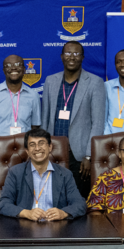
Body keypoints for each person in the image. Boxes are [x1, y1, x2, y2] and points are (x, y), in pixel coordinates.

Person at [41, 41, 106, 199]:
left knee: (77, 199)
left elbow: (97, 123)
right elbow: (45, 118)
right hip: (54, 152)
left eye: (76, 54)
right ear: (62, 57)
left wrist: (89, 156)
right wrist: (43, 149)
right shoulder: (51, 80)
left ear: (82, 57)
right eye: (68, 53)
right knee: (53, 198)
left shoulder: (95, 82)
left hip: (80, 155)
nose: (72, 57)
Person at [0, 128, 87, 220]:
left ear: (50, 147)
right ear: (27, 151)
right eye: (32, 145)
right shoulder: (15, 172)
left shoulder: (65, 174)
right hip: (24, 229)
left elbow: (80, 204)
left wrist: (63, 213)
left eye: (41, 143)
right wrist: (26, 213)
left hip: (57, 229)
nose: (37, 148)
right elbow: (3, 204)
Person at [0, 54, 41, 174]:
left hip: (24, 154)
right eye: (8, 65)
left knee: (24, 191)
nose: (13, 68)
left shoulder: (33, 96)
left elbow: (35, 126)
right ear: (4, 70)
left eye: (18, 65)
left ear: (24, 69)